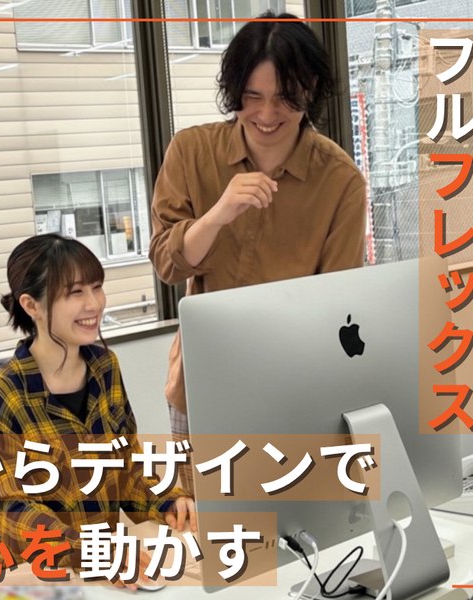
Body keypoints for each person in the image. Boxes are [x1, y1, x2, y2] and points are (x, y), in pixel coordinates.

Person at [149, 12, 367, 492]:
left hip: (292, 389)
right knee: (206, 522)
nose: (267, 115)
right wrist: (217, 215)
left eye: (285, 98)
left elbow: (340, 306)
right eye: (253, 97)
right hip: (201, 383)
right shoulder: (191, 151)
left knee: (298, 522)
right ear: (234, 92)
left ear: (310, 89)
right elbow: (166, 264)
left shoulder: (340, 181)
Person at [0, 234, 195, 589]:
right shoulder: (6, 390)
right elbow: (12, 509)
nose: (94, 303)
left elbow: (127, 469)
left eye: (97, 287)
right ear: (31, 305)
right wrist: (89, 552)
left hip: (112, 568)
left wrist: (167, 502)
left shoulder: (105, 367)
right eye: (75, 292)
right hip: (44, 578)